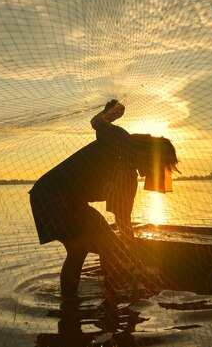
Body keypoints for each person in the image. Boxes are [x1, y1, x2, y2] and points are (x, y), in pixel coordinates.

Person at [29, 100, 179, 299]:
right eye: (160, 166)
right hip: (50, 194)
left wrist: (133, 257)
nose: (156, 172)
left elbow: (124, 222)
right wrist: (111, 113)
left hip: (74, 201)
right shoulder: (121, 140)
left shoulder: (128, 178)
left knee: (111, 245)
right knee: (79, 248)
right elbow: (97, 122)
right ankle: (69, 303)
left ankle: (109, 294)